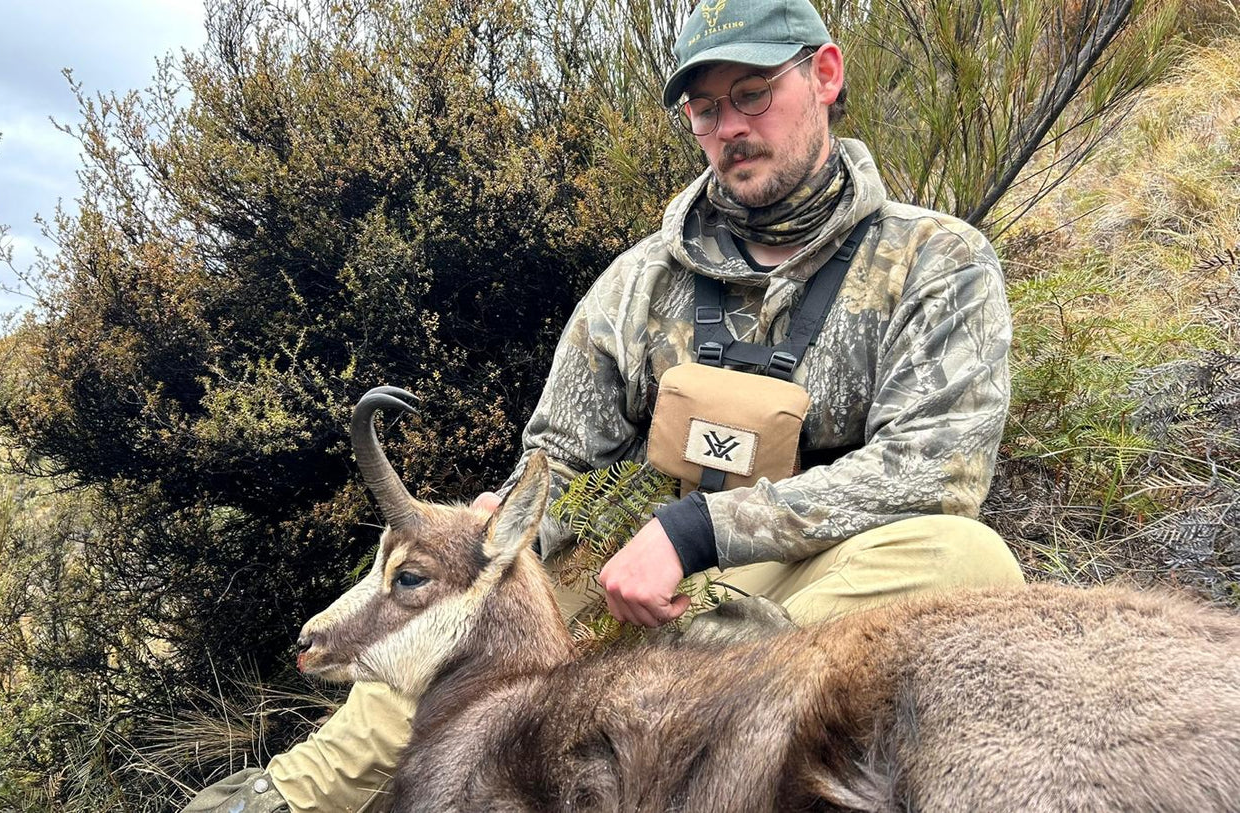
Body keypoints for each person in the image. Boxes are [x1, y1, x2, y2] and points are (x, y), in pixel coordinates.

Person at [183, 0, 1023, 808]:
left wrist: (695, 532)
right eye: (704, 109)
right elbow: (559, 454)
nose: (729, 127)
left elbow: (935, 468)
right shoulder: (639, 281)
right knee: (470, 585)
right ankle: (289, 798)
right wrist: (501, 534)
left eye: (752, 94)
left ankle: (698, 713)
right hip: (624, 572)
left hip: (808, 572)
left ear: (826, 75)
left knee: (967, 558)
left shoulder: (936, 262)